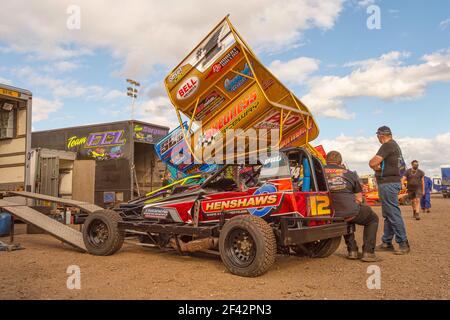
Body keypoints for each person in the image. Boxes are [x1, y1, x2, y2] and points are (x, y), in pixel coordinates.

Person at [325, 151, 380, 262]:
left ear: (326, 160)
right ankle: (368, 252)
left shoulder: (317, 171)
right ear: (340, 162)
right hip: (347, 211)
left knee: (345, 216)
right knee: (372, 219)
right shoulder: (349, 173)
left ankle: (353, 250)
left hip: (327, 212)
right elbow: (359, 198)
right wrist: (358, 203)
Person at [369, 126, 410, 255]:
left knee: (392, 213)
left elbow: (372, 162)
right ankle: (387, 242)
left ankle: (403, 243)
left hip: (388, 183)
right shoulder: (395, 146)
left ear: (381, 135)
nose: (377, 139)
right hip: (393, 182)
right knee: (388, 214)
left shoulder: (387, 145)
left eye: (377, 136)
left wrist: (376, 168)